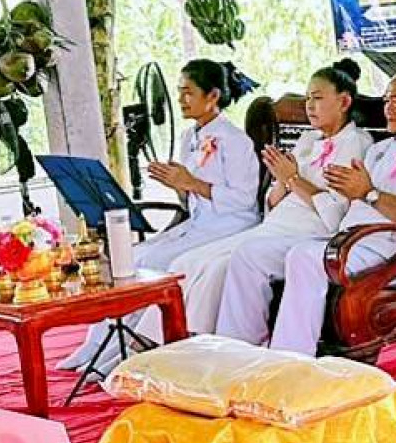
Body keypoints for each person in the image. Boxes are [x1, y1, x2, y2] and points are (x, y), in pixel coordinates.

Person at [212, 69, 396, 354]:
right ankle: (238, 349)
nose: (388, 108)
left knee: (305, 257)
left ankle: (290, 357)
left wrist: (369, 193)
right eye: (385, 101)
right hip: (345, 238)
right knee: (250, 253)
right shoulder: (381, 149)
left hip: (389, 248)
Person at [71, 57, 262, 371]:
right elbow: (191, 200)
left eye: (188, 92)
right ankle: (96, 345)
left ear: (213, 96)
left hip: (231, 226)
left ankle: (129, 351)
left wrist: (191, 183)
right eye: (179, 91)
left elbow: (243, 202)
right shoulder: (190, 137)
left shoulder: (236, 141)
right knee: (133, 257)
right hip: (199, 223)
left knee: (156, 264)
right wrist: (179, 186)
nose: (180, 100)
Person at [184, 60, 374, 333]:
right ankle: (175, 341)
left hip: (311, 232)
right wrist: (282, 177)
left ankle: (231, 343)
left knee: (219, 268)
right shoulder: (308, 139)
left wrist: (293, 179)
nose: (309, 106)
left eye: (318, 98)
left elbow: (336, 215)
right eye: (308, 98)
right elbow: (274, 202)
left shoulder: (357, 144)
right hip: (277, 225)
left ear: (344, 102)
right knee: (192, 261)